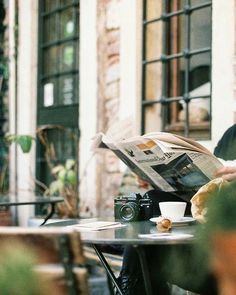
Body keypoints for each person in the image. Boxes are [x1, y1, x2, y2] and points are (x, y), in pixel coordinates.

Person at [115, 124, 236, 295]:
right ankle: (130, 285)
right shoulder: (233, 134)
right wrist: (154, 179)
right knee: (154, 199)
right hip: (205, 234)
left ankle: (130, 286)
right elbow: (212, 179)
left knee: (147, 254)